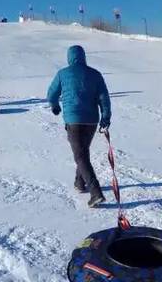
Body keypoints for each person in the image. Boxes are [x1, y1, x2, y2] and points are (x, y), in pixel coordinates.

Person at [47, 45, 111, 208]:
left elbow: (51, 93)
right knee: (82, 152)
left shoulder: (63, 73)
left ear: (69, 57)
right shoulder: (95, 74)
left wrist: (54, 105)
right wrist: (105, 116)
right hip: (91, 120)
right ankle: (79, 183)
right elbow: (104, 98)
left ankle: (95, 192)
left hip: (73, 120)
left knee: (80, 156)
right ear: (83, 57)